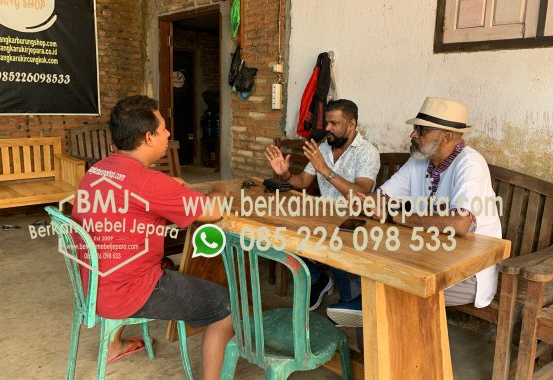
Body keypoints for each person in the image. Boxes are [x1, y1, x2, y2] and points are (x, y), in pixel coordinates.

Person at [71, 95, 233, 380]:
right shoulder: (148, 182)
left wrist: (168, 188)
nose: (168, 133)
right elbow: (213, 211)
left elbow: (134, 196)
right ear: (148, 137)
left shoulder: (98, 170)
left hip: (96, 282)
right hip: (127, 290)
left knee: (167, 263)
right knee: (226, 305)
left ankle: (114, 346)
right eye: (163, 129)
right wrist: (221, 189)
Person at [372, 97, 502, 311]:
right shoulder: (419, 160)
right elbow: (380, 198)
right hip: (428, 257)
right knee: (376, 271)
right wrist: (365, 201)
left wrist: (395, 216)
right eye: (415, 129)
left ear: (446, 136)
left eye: (421, 130)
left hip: (467, 271)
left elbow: (460, 224)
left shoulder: (470, 163)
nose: (413, 134)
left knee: (392, 285)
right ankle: (373, 327)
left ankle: (391, 336)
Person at [264, 99, 380, 325]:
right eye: (326, 122)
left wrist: (325, 170)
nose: (327, 128)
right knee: (277, 231)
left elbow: (361, 193)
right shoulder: (324, 147)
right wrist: (286, 175)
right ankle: (317, 278)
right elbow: (304, 180)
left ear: (351, 124)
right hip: (321, 217)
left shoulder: (367, 153)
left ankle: (347, 302)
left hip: (350, 223)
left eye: (334, 123)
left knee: (336, 245)